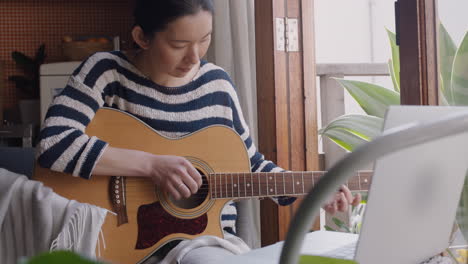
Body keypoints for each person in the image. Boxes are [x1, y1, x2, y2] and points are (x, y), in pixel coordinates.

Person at [37, 0, 360, 263]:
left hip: (205, 242)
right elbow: (54, 143)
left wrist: (314, 189)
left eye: (204, 40)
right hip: (116, 238)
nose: (195, 57)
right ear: (142, 37)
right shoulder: (106, 72)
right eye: (179, 44)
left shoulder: (217, 83)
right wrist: (151, 165)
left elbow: (250, 166)